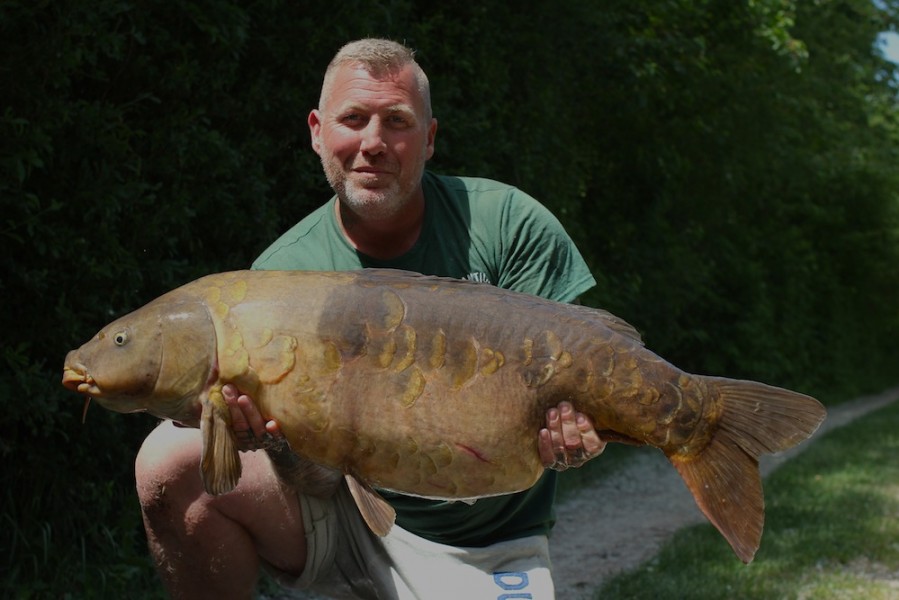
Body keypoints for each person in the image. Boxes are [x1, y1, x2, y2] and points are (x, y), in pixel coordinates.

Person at [135, 38, 606, 599]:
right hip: (344, 522)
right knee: (168, 457)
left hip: (489, 541)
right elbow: (315, 478)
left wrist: (579, 430)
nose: (373, 143)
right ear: (316, 131)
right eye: (353, 119)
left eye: (398, 121)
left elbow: (588, 379)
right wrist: (274, 442)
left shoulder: (507, 227)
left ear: (429, 139)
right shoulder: (282, 278)